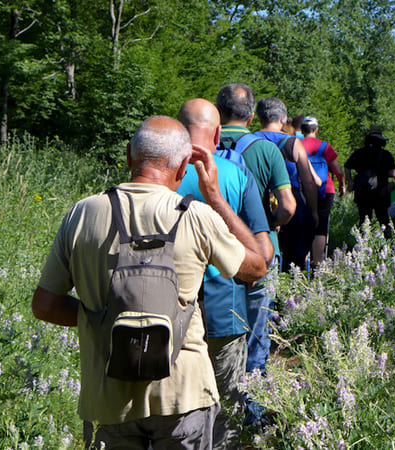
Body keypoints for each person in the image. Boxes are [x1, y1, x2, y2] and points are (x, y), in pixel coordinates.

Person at [31, 116, 266, 449]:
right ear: (184, 166)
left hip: (108, 399)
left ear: (128, 156)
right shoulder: (197, 216)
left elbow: (45, 305)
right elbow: (256, 267)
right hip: (184, 394)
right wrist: (214, 196)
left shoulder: (82, 214)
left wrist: (98, 318)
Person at [176, 98, 271, 448]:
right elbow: (264, 255)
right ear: (218, 134)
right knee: (224, 414)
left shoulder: (156, 169)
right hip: (222, 315)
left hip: (165, 315)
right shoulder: (233, 173)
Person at [215, 83, 292, 424]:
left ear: (220, 112)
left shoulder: (205, 145)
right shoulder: (266, 149)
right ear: (251, 115)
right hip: (258, 251)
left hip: (214, 252)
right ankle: (253, 412)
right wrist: (272, 226)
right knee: (256, 332)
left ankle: (216, 409)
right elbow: (288, 205)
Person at [253, 97, 319, 273]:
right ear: (282, 119)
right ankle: (291, 296)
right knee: (295, 260)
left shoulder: (249, 140)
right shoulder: (292, 143)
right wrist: (313, 211)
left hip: (259, 201)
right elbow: (309, 182)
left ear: (259, 118)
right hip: (291, 201)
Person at [300, 116, 345, 270]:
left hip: (304, 188)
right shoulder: (325, 146)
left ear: (302, 130)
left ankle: (302, 260)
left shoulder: (296, 145)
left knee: (305, 223)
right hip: (326, 189)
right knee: (321, 225)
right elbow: (338, 170)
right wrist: (342, 185)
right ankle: (318, 263)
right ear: (316, 130)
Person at [344, 125, 395, 233]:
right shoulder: (386, 155)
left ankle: (363, 243)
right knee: (384, 220)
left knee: (364, 220)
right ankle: (388, 244)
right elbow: (393, 173)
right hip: (380, 192)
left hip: (362, 191)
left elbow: (347, 166)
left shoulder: (359, 153)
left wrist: (350, 182)